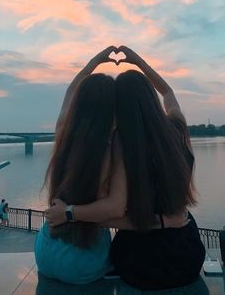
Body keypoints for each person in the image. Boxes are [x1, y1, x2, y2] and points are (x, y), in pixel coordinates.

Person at [45, 45, 205, 291]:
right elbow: (168, 91)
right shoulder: (178, 131)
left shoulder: (122, 147)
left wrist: (74, 216)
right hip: (188, 254)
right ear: (151, 99)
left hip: (136, 264)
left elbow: (117, 210)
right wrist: (137, 62)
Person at [35, 46, 127, 284]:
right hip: (85, 261)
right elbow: (116, 208)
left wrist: (96, 60)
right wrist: (70, 213)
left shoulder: (64, 132)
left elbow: (70, 90)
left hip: (45, 251)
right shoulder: (113, 148)